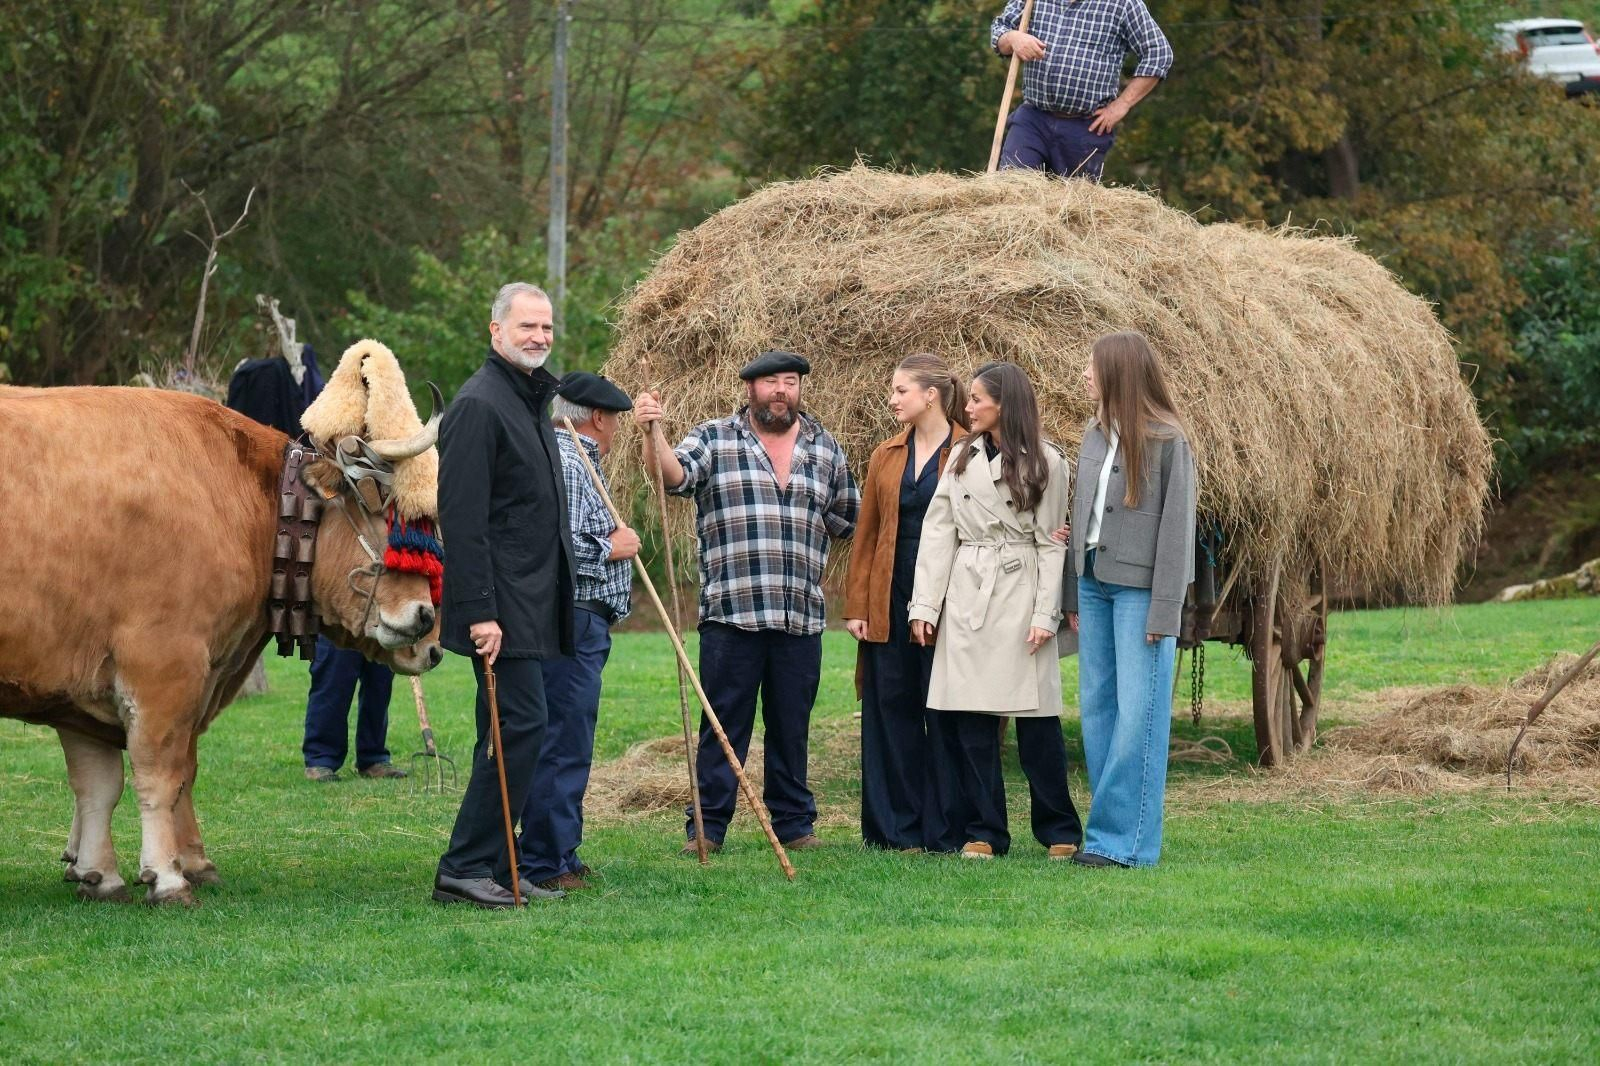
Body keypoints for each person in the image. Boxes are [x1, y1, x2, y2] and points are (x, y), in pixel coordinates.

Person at [633, 351, 859, 855]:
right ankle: (708, 827)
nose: (781, 390)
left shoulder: (824, 447)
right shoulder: (715, 438)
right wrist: (653, 434)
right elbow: (673, 476)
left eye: (790, 382)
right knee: (723, 726)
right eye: (771, 382)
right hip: (732, 615)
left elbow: (850, 520)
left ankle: (794, 825)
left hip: (799, 617)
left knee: (791, 728)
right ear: (750, 389)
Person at [432, 282, 575, 908]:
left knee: (508, 729)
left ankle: (495, 864)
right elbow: (462, 522)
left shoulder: (528, 398)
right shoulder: (479, 405)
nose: (539, 337)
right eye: (526, 327)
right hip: (500, 607)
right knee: (520, 725)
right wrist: (481, 613)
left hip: (529, 599)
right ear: (495, 331)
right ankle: (463, 866)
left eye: (546, 327)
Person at [908, 362, 1083, 860]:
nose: (967, 408)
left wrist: (1045, 614)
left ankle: (1059, 829)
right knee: (972, 722)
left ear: (1004, 405)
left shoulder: (1048, 461)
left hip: (1021, 591)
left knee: (1038, 722)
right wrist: (925, 606)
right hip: (968, 593)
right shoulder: (960, 457)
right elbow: (938, 533)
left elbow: (1051, 543)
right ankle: (985, 830)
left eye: (976, 399)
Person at [1063, 332, 1196, 868]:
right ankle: (1108, 837)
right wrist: (1072, 589)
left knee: (1139, 712)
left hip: (1140, 592)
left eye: (1092, 367)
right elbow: (1081, 517)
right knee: (1097, 709)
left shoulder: (1168, 439)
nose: (1085, 375)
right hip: (1093, 584)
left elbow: (1177, 532)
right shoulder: (1093, 435)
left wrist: (1166, 609)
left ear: (1118, 372)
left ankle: (1125, 844)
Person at [517, 371, 639, 893]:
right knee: (563, 739)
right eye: (617, 421)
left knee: (569, 737)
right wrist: (614, 547)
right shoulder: (569, 461)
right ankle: (546, 861)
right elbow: (557, 547)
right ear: (599, 418)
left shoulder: (575, 458)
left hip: (583, 619)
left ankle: (560, 849)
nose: (617, 430)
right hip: (573, 617)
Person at [842, 354, 966, 852]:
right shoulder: (886, 454)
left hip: (950, 598)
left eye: (900, 390)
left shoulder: (970, 450)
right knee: (889, 706)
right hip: (889, 595)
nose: (892, 399)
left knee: (944, 708)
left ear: (930, 395)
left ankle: (946, 829)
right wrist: (858, 605)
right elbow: (867, 533)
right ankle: (895, 829)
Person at [990, 0, 1173, 181]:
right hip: (1033, 120)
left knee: (1073, 200)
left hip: (1085, 128)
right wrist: (1013, 38)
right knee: (1012, 189)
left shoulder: (1123, 4)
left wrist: (1123, 104)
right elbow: (999, 30)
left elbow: (1159, 53)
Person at [301, 637, 404, 781]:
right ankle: (321, 759)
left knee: (379, 685)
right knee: (333, 680)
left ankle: (373, 758)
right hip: (340, 626)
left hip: (382, 627)